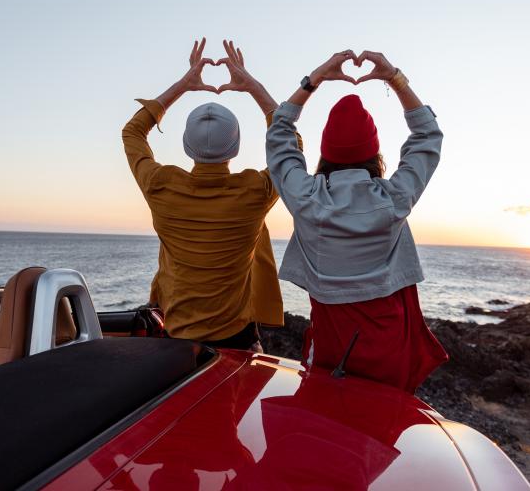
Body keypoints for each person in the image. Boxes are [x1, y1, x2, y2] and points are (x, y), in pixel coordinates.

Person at [265, 49, 448, 392]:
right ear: (374, 154)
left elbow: (279, 133)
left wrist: (314, 79)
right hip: (388, 344)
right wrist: (395, 79)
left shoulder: (305, 198)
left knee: (327, 427)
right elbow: (427, 137)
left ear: (326, 153)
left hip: (333, 345)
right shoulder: (394, 199)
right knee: (381, 434)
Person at [122, 38, 286, 351]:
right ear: (236, 147)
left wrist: (183, 85)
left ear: (186, 145)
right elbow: (288, 145)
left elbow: (132, 132)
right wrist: (254, 87)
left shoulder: (160, 185)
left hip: (176, 340)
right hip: (238, 340)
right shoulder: (255, 191)